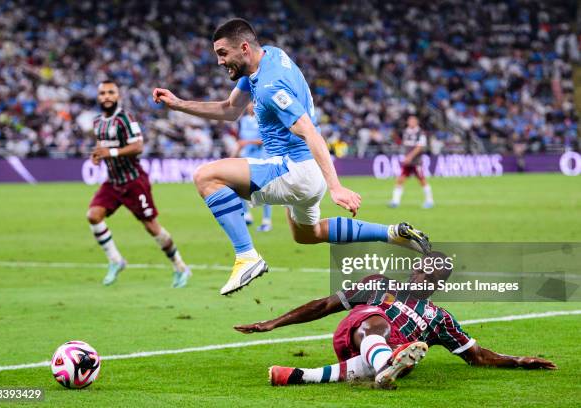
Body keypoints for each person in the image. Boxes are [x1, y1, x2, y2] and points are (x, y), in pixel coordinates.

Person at [153, 18, 431, 296]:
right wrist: (178, 104)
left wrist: (336, 187)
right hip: (307, 175)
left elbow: (310, 132)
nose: (219, 62)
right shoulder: (271, 56)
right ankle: (392, 233)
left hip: (294, 169)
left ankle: (246, 256)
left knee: (206, 176)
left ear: (245, 48)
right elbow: (229, 109)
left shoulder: (270, 87)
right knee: (308, 234)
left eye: (223, 53)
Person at [235, 253, 556, 389]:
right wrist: (273, 323)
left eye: (432, 274)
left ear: (439, 284)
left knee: (411, 356)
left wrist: (518, 360)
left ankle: (298, 376)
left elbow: (477, 355)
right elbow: (324, 305)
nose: (422, 274)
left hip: (374, 355)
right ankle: (387, 362)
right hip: (357, 332)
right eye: (421, 268)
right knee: (377, 322)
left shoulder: (440, 319)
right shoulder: (380, 284)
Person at [87, 79, 191, 287]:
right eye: (103, 93)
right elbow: (102, 145)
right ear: (98, 97)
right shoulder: (97, 121)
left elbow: (138, 146)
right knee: (93, 215)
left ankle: (180, 267)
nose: (106, 97)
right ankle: (116, 260)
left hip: (134, 182)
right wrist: (98, 154)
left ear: (117, 96)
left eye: (111, 92)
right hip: (113, 182)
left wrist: (111, 152)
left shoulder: (125, 118)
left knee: (152, 227)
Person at [235, 103, 272, 232]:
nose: (250, 107)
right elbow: (240, 139)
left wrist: (247, 142)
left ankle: (266, 221)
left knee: (263, 189)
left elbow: (265, 140)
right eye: (249, 104)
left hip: (260, 158)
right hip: (246, 157)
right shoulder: (243, 121)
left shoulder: (263, 120)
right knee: (239, 185)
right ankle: (247, 215)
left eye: (253, 104)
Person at [389, 115, 434, 209]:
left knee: (422, 180)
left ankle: (430, 201)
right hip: (407, 162)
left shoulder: (420, 133)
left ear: (416, 122)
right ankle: (395, 201)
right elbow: (403, 143)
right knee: (400, 179)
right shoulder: (406, 131)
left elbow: (420, 147)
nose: (410, 122)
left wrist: (409, 156)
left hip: (416, 161)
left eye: (412, 121)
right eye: (409, 121)